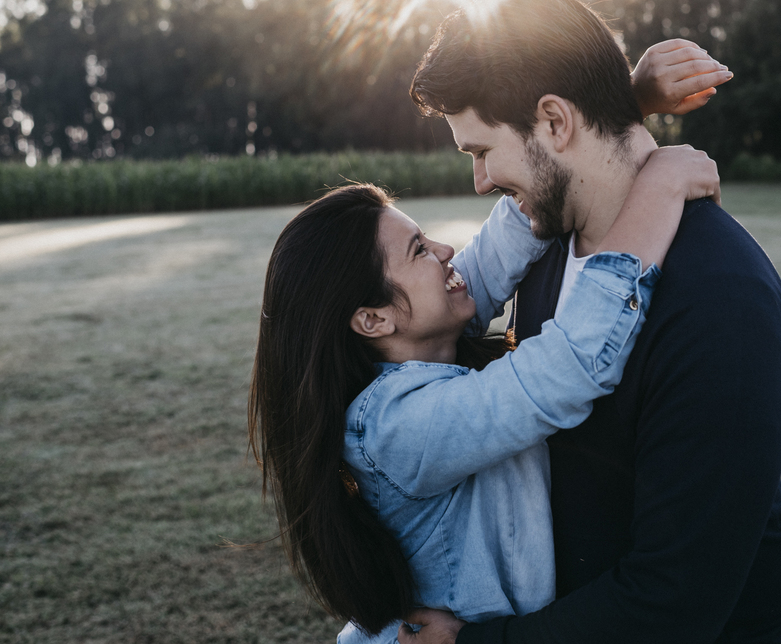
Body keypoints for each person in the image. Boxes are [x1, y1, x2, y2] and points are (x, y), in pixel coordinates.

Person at [402, 0, 781, 644]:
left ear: (555, 122)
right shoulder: (546, 243)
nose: (480, 182)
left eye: (480, 152)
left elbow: (673, 604)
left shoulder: (721, 299)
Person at [247, 147, 722, 642]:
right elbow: (568, 366)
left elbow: (500, 249)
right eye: (418, 250)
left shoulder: (420, 347)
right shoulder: (398, 426)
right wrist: (660, 188)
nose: (444, 250)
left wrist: (580, 142)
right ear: (373, 319)